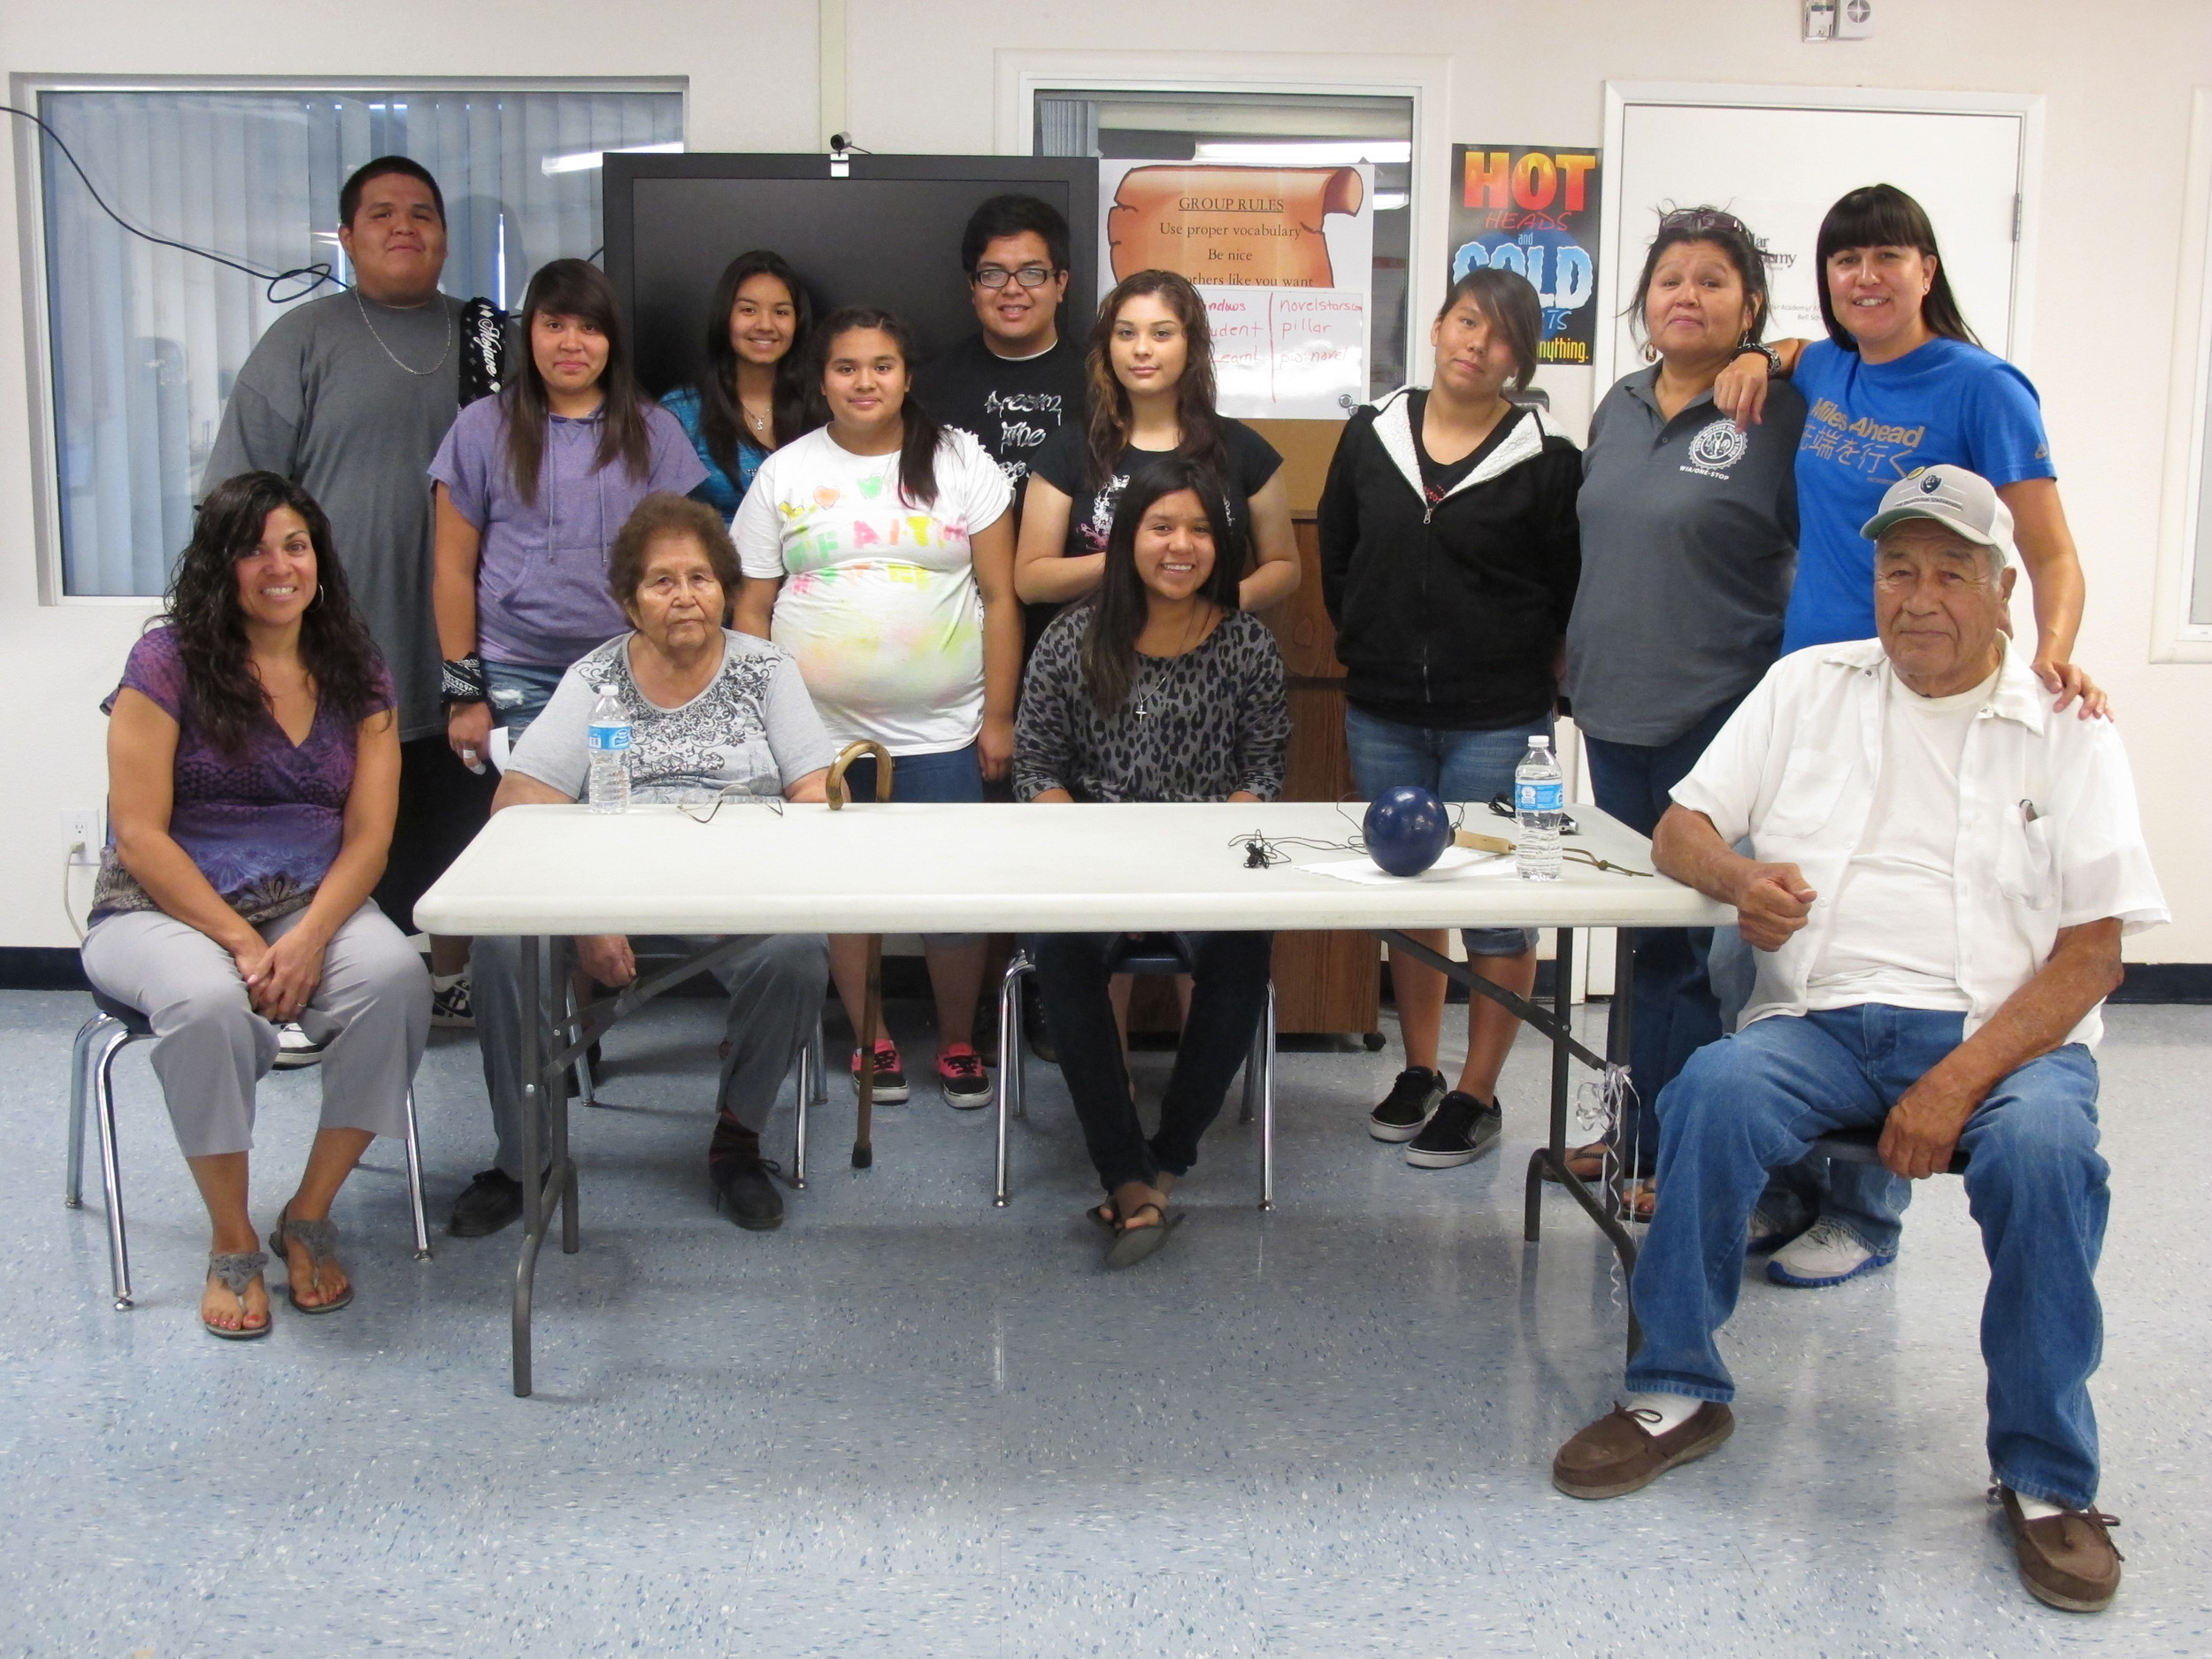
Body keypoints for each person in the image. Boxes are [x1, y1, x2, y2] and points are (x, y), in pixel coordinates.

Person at [1550, 465, 2165, 1618]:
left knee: (2043, 1157)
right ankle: (1675, 1388)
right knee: (1714, 1090)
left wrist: (1952, 1084)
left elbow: (2092, 958)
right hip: (1825, 1013)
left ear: (2003, 593)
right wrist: (1738, 877)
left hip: (2001, 1034)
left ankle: (2045, 1478)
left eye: (1949, 572)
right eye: (1897, 569)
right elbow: (1683, 825)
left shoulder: (2067, 726)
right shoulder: (1808, 685)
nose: (1918, 596)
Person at [1712, 182, 2106, 1287]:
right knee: (1766, 938)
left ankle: (1867, 1210)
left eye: (1887, 257)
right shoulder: (1829, 364)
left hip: (1934, 693)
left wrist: (2050, 656)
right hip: (1822, 693)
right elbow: (1791, 349)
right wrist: (1760, 354)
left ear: (1927, 268)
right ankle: (1790, 1175)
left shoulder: (1983, 387)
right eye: (1845, 262)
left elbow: (2050, 550)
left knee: (1900, 939)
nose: (1865, 278)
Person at [81, 472, 431, 1337]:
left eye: (295, 545)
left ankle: (307, 1213)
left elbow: (370, 837)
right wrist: (241, 942)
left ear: (319, 558)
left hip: (311, 899)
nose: (279, 566)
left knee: (394, 982)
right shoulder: (165, 660)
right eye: (253, 548)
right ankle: (232, 1239)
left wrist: (309, 939)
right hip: (160, 904)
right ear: (219, 564)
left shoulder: (356, 666)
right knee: (205, 1006)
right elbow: (140, 833)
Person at [449, 495, 835, 1239]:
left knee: (795, 953)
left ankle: (737, 1139)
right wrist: (590, 914)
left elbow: (812, 791)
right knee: (501, 948)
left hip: (738, 890)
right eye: (662, 581)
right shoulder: (595, 678)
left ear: (726, 586)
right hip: (612, 887)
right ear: (628, 601)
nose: (685, 596)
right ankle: (521, 1155)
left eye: (700, 577)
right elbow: (520, 801)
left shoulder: (766, 670)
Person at [204, 156, 490, 1030]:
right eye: (381, 214)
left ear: (444, 234)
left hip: (458, 639)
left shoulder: (490, 343)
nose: (404, 227)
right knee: (319, 822)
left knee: (459, 817)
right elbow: (236, 503)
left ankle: (453, 979)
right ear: (347, 235)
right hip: (329, 644)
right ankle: (297, 983)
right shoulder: (303, 341)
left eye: (422, 213)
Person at [1557, 209, 1805, 1215]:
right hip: (1613, 711)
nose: (1686, 296)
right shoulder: (1615, 405)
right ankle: (1630, 1131)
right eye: (1669, 279)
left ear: (1749, 305)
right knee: (1641, 939)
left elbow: (1891, 358)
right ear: (1643, 302)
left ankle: (1684, 1156)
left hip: (1722, 714)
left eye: (1712, 281)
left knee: (1707, 948)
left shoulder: (1782, 408)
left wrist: (1784, 355)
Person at [1317, 268, 1581, 1170]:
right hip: (1385, 708)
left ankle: (1478, 1091)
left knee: (1497, 910)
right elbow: (1340, 562)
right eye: (1465, 321)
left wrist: (1526, 683)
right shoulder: (1368, 438)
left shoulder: (1549, 462)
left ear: (1520, 358)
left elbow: (1564, 592)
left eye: (1501, 334)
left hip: (1499, 722)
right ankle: (1419, 1069)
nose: (1477, 343)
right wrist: (1370, 644)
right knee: (1409, 894)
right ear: (1436, 327)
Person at [733, 308, 1018, 1110]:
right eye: (848, 367)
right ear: (821, 378)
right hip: (816, 736)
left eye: (883, 365)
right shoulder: (786, 472)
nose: (866, 382)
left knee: (953, 892)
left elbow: (1000, 595)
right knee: (844, 889)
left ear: (907, 374)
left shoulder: (962, 460)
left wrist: (999, 717)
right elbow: (750, 608)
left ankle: (958, 1039)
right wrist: (768, 722)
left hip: (947, 726)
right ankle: (870, 1035)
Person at [1014, 457, 1288, 1267]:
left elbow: (1262, 776)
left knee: (1244, 952)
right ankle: (1130, 1178)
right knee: (1061, 955)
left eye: (1201, 529)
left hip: (1207, 867)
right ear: (1127, 536)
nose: (1182, 545)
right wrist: (1107, 868)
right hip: (1094, 865)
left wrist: (1191, 873)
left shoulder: (1247, 646)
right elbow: (1036, 770)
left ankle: (1161, 1163)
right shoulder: (1074, 638)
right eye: (1162, 526)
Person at [432, 257, 707, 756]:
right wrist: (463, 693)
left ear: (611, 340)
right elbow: (451, 568)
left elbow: (681, 570)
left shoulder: (656, 430)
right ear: (529, 331)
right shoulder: (479, 427)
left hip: (633, 666)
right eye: (554, 324)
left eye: (589, 327)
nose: (571, 343)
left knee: (629, 827)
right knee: (531, 828)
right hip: (514, 674)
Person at [1017, 271, 1300, 618]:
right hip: (1095, 655)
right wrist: (1130, 557)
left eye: (1162, 333)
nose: (1141, 349)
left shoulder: (1243, 449)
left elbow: (1284, 565)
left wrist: (1227, 602)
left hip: (1209, 654)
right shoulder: (1069, 448)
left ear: (1191, 345)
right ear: (1108, 346)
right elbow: (1030, 581)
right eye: (1125, 333)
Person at [914, 195, 1088, 496]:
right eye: (993, 274)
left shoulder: (1102, 384)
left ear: (1060, 283)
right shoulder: (928, 390)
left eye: (1031, 273)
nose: (1012, 289)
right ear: (973, 285)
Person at [661, 250, 815, 517]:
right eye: (748, 310)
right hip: (719, 556)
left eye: (781, 311)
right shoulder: (680, 412)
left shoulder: (825, 404)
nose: (765, 325)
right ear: (725, 317)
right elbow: (662, 518)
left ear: (797, 322)